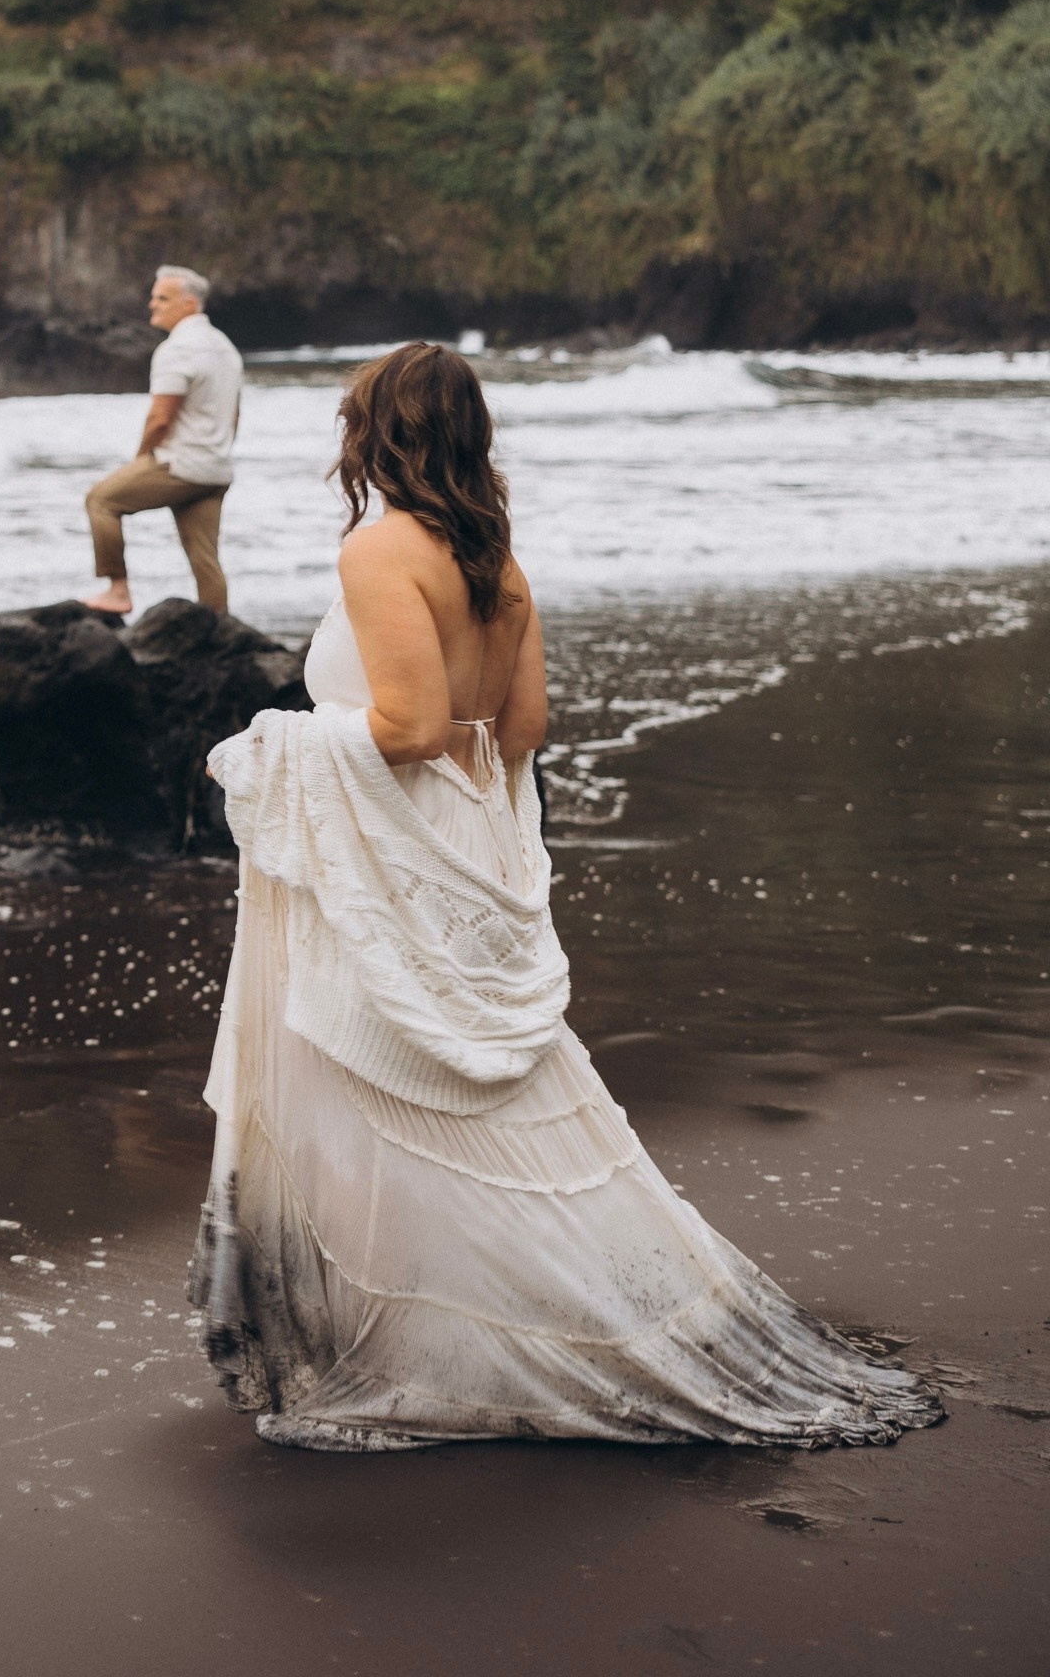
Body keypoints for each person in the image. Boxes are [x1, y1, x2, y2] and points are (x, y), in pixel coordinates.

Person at [192, 339, 942, 1453]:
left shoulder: (379, 548)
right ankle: (548, 1303)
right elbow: (522, 730)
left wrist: (273, 745)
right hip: (470, 826)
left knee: (372, 1084)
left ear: (375, 432)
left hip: (393, 840)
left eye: (351, 419)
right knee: (488, 1098)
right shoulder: (494, 555)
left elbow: (398, 729)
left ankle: (407, 1339)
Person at [81, 265, 243, 618]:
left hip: (181, 466)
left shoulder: (177, 349)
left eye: (162, 298)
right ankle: (220, 630)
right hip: (216, 469)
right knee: (205, 558)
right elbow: (233, 416)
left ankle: (117, 590)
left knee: (101, 501)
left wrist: (141, 460)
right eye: (153, 296)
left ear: (189, 304)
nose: (153, 304)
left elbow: (160, 418)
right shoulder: (226, 349)